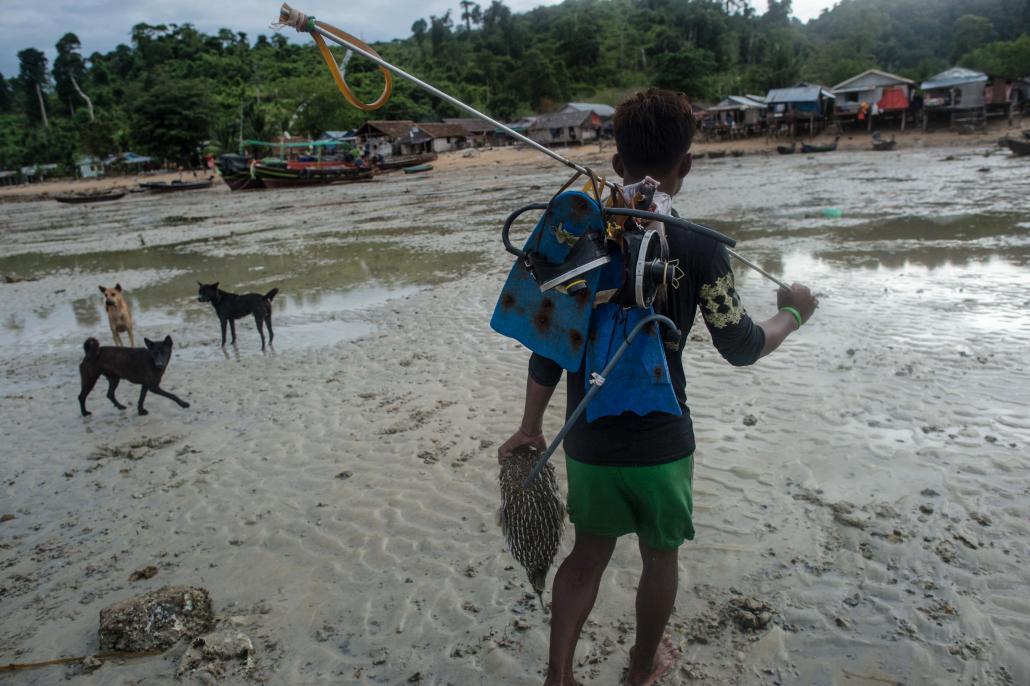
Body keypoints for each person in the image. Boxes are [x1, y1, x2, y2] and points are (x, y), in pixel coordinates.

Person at [497, 89, 818, 686]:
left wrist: (530, 426)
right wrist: (795, 314)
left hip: (587, 436)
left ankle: (559, 676)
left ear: (617, 164)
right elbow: (741, 344)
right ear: (687, 164)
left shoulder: (583, 235)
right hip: (663, 446)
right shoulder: (700, 245)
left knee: (587, 554)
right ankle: (641, 671)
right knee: (659, 558)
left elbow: (549, 346)